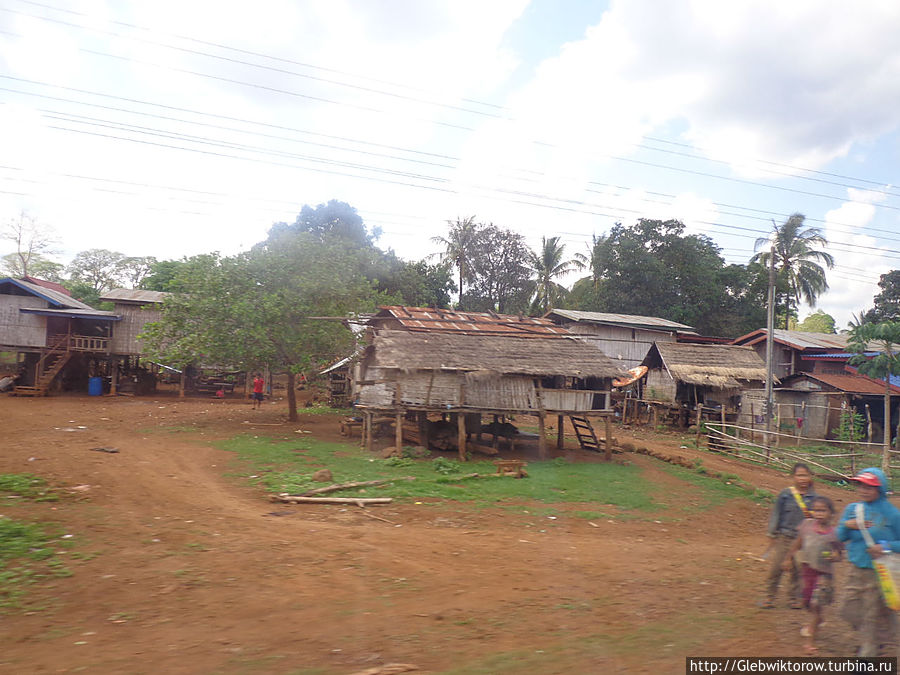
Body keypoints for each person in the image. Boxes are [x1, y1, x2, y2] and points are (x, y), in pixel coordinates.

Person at [837, 467, 900, 657]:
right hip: (856, 570)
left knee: (870, 615)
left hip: (879, 573)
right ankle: (878, 638)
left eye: (869, 487)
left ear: (880, 489)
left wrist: (885, 546)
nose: (863, 490)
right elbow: (840, 536)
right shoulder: (853, 509)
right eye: (860, 485)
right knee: (848, 609)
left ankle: (866, 657)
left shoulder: (892, 514)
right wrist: (847, 525)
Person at [783, 495, 841, 653]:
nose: (819, 513)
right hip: (807, 570)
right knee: (806, 603)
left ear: (831, 513)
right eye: (816, 510)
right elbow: (798, 543)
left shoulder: (834, 534)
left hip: (823, 574)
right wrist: (788, 558)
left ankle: (810, 641)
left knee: (815, 604)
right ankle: (818, 618)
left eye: (823, 510)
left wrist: (835, 556)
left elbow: (839, 553)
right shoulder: (807, 525)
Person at [762, 462, 818, 609]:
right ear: (793, 477)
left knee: (798, 570)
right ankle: (769, 596)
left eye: (805, 475)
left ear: (810, 476)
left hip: (803, 541)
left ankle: (794, 597)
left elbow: (818, 519)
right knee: (777, 567)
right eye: (799, 475)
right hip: (784, 537)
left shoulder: (814, 498)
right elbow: (776, 514)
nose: (802, 479)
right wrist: (771, 532)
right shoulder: (786, 494)